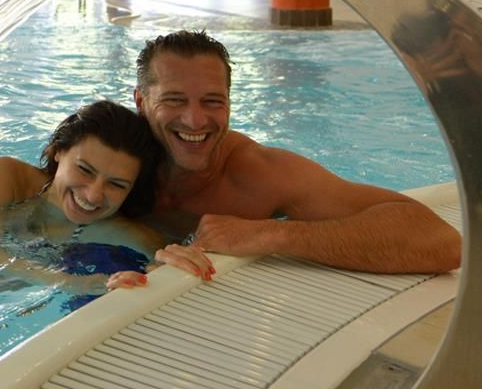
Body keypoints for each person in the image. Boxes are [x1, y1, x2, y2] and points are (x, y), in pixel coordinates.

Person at [132, 30, 462, 276]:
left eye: (212, 101)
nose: (195, 120)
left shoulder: (260, 175)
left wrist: (268, 234)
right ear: (141, 102)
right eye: (174, 100)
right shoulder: (112, 158)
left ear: (229, 103)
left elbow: (442, 242)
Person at [0, 99, 215, 306]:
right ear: (58, 151)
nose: (93, 195)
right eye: (85, 170)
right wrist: (69, 282)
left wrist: (165, 269)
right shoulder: (12, 177)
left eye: (117, 184)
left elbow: (164, 262)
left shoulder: (124, 233)